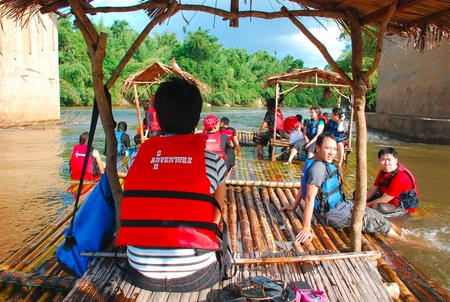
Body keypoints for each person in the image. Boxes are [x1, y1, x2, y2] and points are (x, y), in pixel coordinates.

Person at [115, 77, 231, 292]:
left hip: (140, 272)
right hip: (196, 274)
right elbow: (216, 217)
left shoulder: (136, 157)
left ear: (157, 114)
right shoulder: (213, 161)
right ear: (197, 118)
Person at [280, 132, 402, 243]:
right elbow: (309, 197)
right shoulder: (319, 168)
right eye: (328, 148)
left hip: (339, 207)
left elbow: (303, 186)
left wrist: (294, 206)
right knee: (381, 224)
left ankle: (401, 231)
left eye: (334, 149)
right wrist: (306, 228)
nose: (332, 152)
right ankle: (406, 242)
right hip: (337, 215)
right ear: (317, 148)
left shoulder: (310, 161)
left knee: (377, 216)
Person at [366, 147, 419, 214]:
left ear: (396, 160)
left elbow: (384, 199)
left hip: (401, 206)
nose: (386, 163)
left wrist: (365, 205)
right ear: (379, 161)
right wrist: (361, 200)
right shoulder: (383, 172)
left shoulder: (401, 177)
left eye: (389, 160)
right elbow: (373, 190)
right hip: (388, 200)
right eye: (383, 160)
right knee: (359, 194)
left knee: (377, 206)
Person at [203, 115, 235, 179]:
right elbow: (231, 145)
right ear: (215, 126)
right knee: (230, 150)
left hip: (203, 168)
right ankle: (227, 179)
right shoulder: (223, 136)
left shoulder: (200, 137)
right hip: (219, 170)